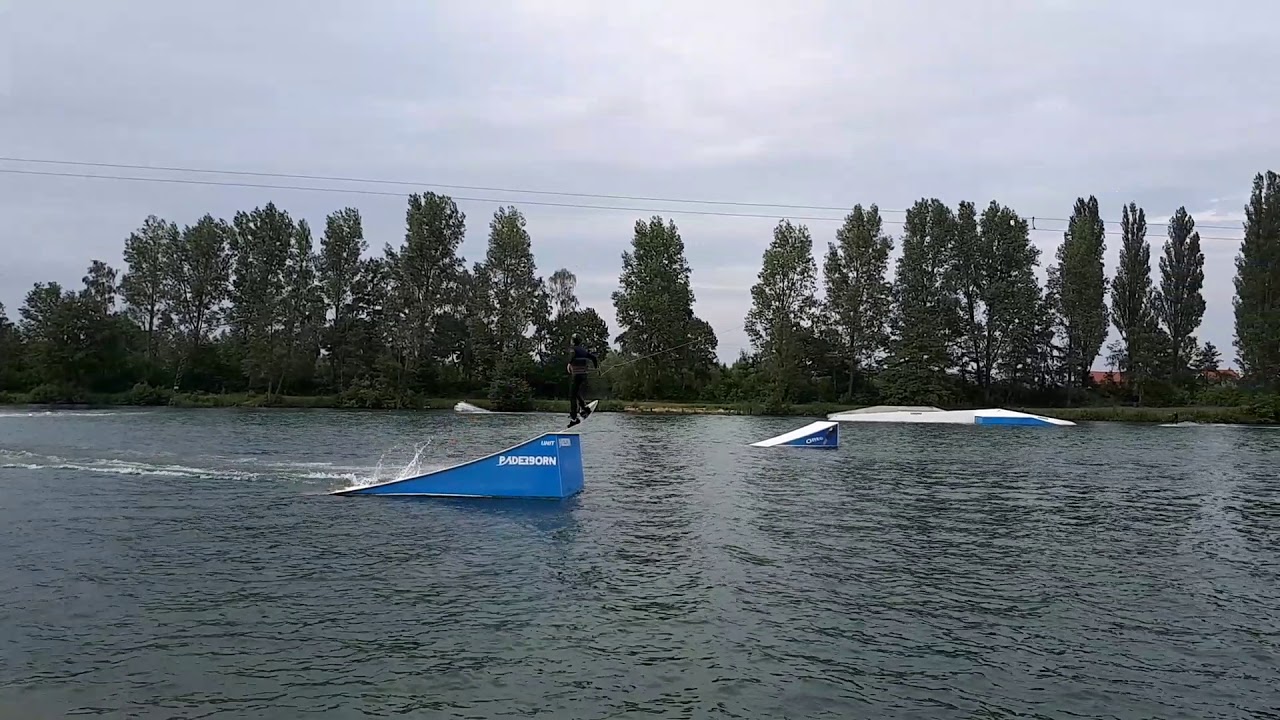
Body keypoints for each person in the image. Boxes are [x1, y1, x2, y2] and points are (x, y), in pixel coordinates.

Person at [566, 333, 598, 426]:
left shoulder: (573, 349)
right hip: (583, 375)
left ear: (573, 341)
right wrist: (596, 368)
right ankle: (584, 407)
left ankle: (573, 418)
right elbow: (593, 357)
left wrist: (569, 363)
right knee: (576, 392)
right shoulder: (583, 350)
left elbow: (572, 356)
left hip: (576, 375)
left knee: (572, 395)